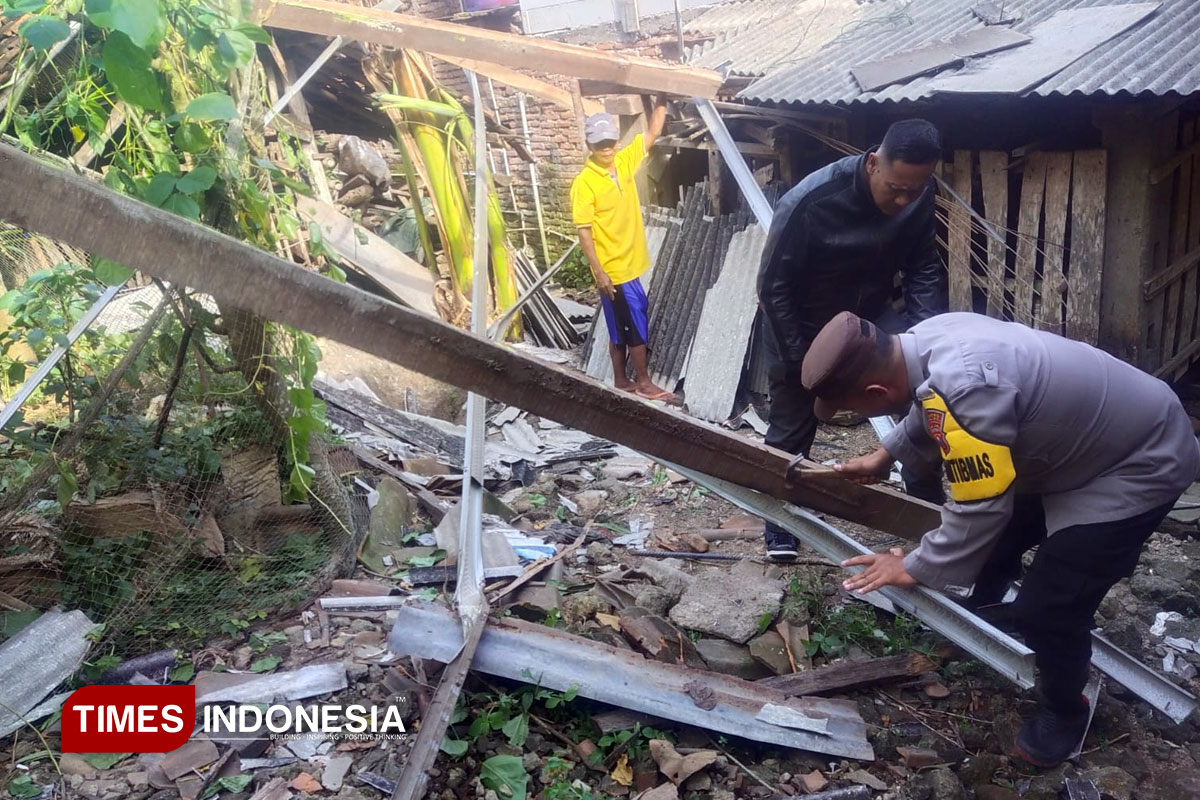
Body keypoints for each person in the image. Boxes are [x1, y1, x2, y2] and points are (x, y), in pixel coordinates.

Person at [802, 310, 1200, 767]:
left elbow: (981, 503)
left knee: (1050, 608)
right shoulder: (926, 340)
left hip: (1140, 461)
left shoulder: (967, 384)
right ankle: (984, 609)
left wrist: (911, 566)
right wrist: (884, 455)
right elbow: (934, 411)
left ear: (875, 393)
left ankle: (1066, 711)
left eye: (856, 408)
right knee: (996, 542)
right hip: (1088, 439)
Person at [756, 118, 947, 561]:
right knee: (792, 425)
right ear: (874, 163)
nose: (903, 200)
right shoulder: (810, 201)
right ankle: (782, 525)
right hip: (802, 318)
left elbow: (922, 267)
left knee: (921, 400)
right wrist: (801, 365)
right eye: (896, 188)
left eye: (914, 191)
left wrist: (926, 340)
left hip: (870, 316)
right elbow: (773, 287)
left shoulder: (918, 196)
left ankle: (923, 514)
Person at [571, 100, 673, 402]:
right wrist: (599, 272)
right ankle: (644, 382)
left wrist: (662, 99)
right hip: (613, 270)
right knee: (635, 322)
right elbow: (583, 230)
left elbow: (652, 132)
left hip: (629, 264)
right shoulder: (585, 183)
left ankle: (620, 379)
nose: (606, 147)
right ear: (590, 144)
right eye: (600, 143)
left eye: (610, 141)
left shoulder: (625, 161)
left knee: (618, 324)